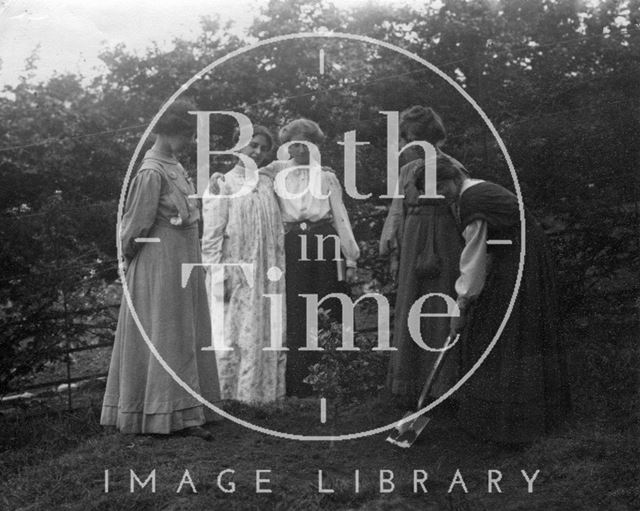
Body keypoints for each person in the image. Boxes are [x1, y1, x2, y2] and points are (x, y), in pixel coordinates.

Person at [101, 99, 220, 439]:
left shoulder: (175, 166)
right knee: (166, 334)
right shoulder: (151, 172)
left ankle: (187, 410)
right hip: (161, 264)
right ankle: (160, 413)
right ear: (168, 132)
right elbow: (133, 228)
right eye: (185, 134)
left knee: (186, 332)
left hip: (184, 260)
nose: (189, 141)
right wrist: (141, 261)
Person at [436, 157, 571, 444]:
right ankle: (514, 416)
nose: (439, 193)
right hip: (517, 257)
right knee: (502, 329)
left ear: (452, 178)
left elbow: (473, 258)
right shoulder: (472, 191)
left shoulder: (473, 200)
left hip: (520, 262)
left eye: (440, 185)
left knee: (502, 332)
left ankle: (511, 422)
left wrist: (461, 304)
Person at [260, 118, 360, 397]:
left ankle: (335, 375)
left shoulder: (326, 176)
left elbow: (340, 216)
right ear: (287, 146)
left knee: (331, 304)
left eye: (307, 142)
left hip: (325, 241)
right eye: (295, 143)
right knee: (296, 307)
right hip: (292, 244)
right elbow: (246, 175)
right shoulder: (276, 172)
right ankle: (299, 381)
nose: (301, 148)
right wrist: (220, 178)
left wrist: (350, 258)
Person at [380, 106, 466, 406]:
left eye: (418, 138)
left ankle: (442, 387)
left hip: (445, 241)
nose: (412, 145)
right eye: (409, 138)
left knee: (440, 308)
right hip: (412, 240)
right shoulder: (406, 170)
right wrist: (393, 254)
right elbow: (397, 211)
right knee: (410, 307)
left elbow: (462, 213)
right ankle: (410, 387)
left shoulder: (453, 168)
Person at [201, 126, 287, 403]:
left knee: (267, 330)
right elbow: (211, 239)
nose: (257, 152)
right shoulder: (222, 185)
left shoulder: (267, 183)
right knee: (233, 334)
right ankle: (232, 398)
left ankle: (265, 396)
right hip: (235, 272)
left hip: (268, 272)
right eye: (252, 145)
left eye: (263, 148)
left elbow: (299, 164)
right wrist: (217, 276)